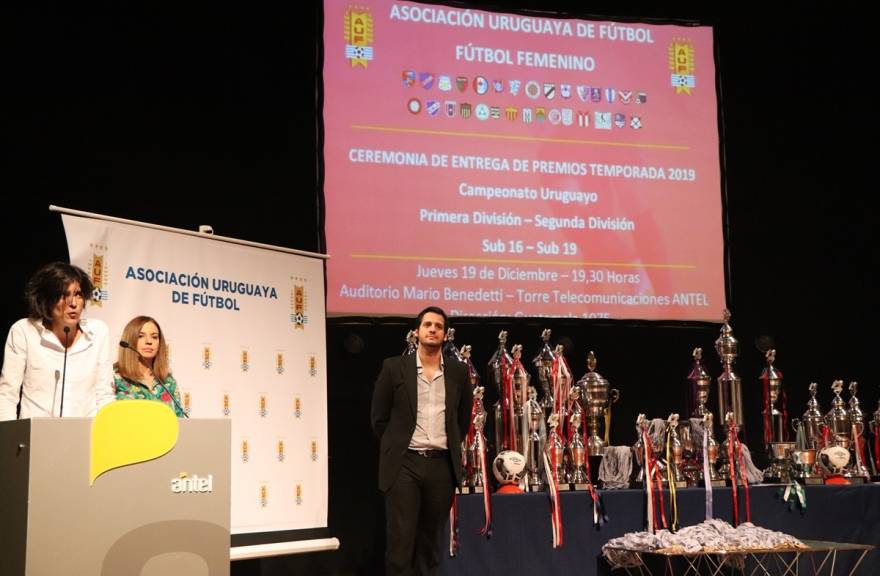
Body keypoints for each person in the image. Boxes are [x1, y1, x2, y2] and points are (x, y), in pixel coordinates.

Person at [370, 306, 472, 576]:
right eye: (427, 325)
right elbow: (379, 418)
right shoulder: (394, 368)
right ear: (416, 332)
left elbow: (462, 420)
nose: (432, 330)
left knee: (430, 544)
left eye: (438, 326)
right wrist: (397, 446)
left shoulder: (458, 372)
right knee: (400, 542)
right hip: (405, 464)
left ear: (445, 335)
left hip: (441, 466)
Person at [0, 262, 115, 420]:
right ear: (46, 299)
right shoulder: (24, 331)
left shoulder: (98, 332)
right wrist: (9, 434)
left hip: (86, 431)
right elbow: (7, 394)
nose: (73, 303)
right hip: (37, 432)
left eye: (78, 294)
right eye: (64, 295)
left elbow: (104, 394)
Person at [114, 315, 185, 417]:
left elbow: (179, 420)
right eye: (140, 336)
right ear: (129, 340)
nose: (149, 341)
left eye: (154, 337)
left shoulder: (168, 381)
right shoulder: (115, 377)